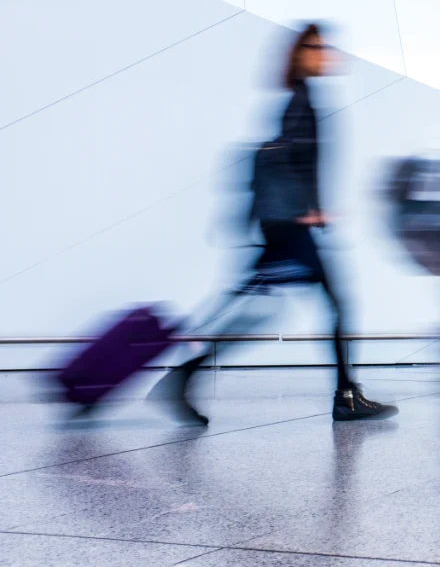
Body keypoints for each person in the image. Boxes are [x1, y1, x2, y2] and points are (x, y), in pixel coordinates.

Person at [154, 24, 397, 425]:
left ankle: (185, 374)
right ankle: (346, 396)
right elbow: (290, 160)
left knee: (253, 308)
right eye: (318, 47)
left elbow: (290, 160)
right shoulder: (302, 100)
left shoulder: (300, 99)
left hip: (280, 225)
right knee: (336, 304)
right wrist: (310, 210)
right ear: (303, 53)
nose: (327, 54)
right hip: (289, 227)